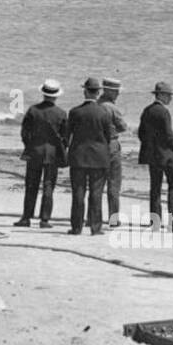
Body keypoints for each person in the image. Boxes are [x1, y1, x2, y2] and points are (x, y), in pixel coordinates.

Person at [64, 78, 114, 235]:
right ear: (98, 93)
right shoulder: (104, 112)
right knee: (96, 193)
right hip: (99, 157)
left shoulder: (74, 112)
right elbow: (109, 136)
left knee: (78, 192)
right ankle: (95, 226)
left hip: (78, 156)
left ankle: (76, 226)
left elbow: (66, 136)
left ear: (84, 91)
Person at [17, 80, 68, 228]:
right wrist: (60, 148)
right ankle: (44, 219)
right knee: (48, 185)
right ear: (56, 96)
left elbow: (24, 133)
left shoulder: (33, 110)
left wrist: (29, 145)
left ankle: (26, 217)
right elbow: (65, 136)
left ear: (43, 94)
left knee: (31, 185)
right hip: (52, 153)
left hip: (34, 151)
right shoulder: (61, 113)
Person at [137, 81, 173, 231]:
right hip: (167, 154)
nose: (170, 98)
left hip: (153, 155)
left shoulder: (147, 110)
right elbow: (169, 134)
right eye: (168, 95)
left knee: (155, 188)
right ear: (161, 95)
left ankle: (155, 221)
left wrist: (150, 147)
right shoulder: (164, 112)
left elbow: (141, 133)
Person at [100, 78, 128, 228]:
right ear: (109, 91)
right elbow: (123, 127)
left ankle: (92, 217)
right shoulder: (112, 108)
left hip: (96, 146)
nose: (117, 94)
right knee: (113, 184)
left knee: (96, 184)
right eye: (116, 91)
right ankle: (113, 218)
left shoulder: (97, 105)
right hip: (111, 145)